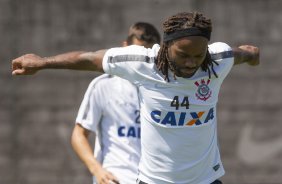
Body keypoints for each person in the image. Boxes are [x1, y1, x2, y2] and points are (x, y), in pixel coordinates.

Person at [12, 11, 259, 184]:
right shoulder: (143, 63)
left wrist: (254, 55)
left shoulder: (216, 61)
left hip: (206, 180)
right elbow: (89, 59)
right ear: (166, 47)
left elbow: (244, 53)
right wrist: (43, 62)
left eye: (198, 55)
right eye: (183, 55)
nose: (191, 62)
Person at [72, 22, 161, 184]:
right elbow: (79, 135)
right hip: (116, 177)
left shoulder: (163, 90)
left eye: (149, 56)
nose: (143, 61)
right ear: (124, 48)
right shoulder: (103, 86)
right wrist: (97, 170)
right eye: (138, 53)